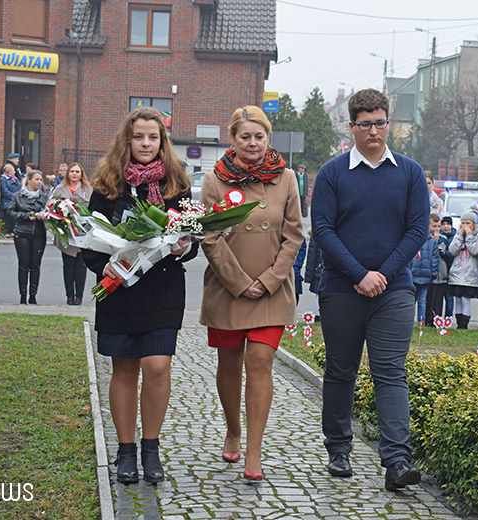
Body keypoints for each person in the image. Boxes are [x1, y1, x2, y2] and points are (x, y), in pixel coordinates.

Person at [311, 88, 427, 490]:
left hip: (394, 290)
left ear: (388, 123)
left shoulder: (410, 172)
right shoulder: (332, 173)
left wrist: (384, 274)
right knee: (341, 370)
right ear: (352, 126)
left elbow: (417, 230)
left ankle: (397, 462)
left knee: (390, 372)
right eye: (365, 124)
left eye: (380, 122)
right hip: (342, 288)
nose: (373, 131)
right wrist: (360, 274)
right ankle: (339, 449)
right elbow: (323, 230)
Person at [82, 107, 196, 484]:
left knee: (158, 366)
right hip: (119, 291)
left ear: (162, 141)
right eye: (139, 137)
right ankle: (126, 450)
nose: (146, 143)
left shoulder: (176, 184)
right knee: (125, 369)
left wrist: (184, 246)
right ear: (126, 140)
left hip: (162, 289)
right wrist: (105, 267)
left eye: (153, 137)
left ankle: (152, 448)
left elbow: (191, 239)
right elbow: (90, 241)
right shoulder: (106, 185)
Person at [200, 105, 303, 481]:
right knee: (229, 365)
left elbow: (294, 235)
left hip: (273, 291)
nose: (253, 143)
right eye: (245, 136)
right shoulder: (214, 180)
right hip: (228, 290)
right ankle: (233, 429)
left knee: (259, 361)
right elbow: (209, 237)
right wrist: (241, 282)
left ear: (268, 138)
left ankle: (254, 453)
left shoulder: (287, 178)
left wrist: (270, 279)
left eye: (259, 136)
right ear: (233, 139)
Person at [50, 162, 92, 305]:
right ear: (67, 173)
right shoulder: (59, 189)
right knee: (68, 265)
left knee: (81, 266)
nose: (74, 174)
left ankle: (79, 297)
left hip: (82, 232)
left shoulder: (88, 188)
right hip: (66, 232)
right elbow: (51, 208)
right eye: (72, 171)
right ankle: (69, 295)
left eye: (77, 171)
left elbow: (93, 209)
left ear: (81, 174)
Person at [8, 170, 49, 304]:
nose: (39, 182)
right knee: (24, 265)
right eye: (36, 179)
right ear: (29, 180)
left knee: (35, 266)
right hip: (22, 233)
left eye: (40, 180)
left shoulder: (43, 196)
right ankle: (23, 295)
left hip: (39, 233)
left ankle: (33, 296)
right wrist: (28, 216)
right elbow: (11, 212)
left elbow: (48, 212)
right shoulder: (18, 196)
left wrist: (43, 216)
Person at [448, 207, 478, 329]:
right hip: (457, 272)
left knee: (465, 298)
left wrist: (469, 236)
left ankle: (465, 323)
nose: (465, 226)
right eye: (463, 223)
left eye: (468, 223)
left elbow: (475, 251)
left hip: (471, 273)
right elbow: (452, 250)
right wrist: (459, 237)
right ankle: (459, 322)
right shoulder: (458, 235)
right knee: (458, 298)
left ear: (474, 224)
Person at [410, 213, 439, 325]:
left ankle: (421, 321)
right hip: (413, 275)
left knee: (422, 300)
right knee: (412, 301)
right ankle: (409, 321)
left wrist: (433, 273)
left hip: (426, 276)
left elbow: (435, 259)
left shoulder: (432, 242)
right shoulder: (414, 239)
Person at [427, 215, 453, 322]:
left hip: (441, 274)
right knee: (429, 299)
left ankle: (437, 320)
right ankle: (427, 320)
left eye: (438, 226)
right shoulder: (425, 238)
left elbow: (449, 257)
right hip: (428, 274)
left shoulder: (444, 239)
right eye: (434, 226)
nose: (437, 229)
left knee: (439, 301)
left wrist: (443, 252)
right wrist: (433, 242)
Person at [304, 228, 323, 322]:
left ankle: (318, 315)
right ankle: (318, 315)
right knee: (318, 294)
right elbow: (311, 256)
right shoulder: (315, 235)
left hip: (320, 269)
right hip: (319, 269)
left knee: (319, 294)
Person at [440, 216, 456, 317]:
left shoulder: (455, 237)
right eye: (443, 224)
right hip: (441, 272)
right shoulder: (438, 237)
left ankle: (448, 319)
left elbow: (452, 255)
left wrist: (444, 253)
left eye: (448, 224)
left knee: (449, 297)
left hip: (452, 271)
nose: (446, 227)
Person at [0, 163, 21, 236]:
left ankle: (12, 231)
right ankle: (6, 231)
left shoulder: (15, 179)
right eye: (13, 170)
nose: (14, 172)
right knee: (7, 217)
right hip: (7, 201)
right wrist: (14, 196)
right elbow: (4, 191)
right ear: (8, 171)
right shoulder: (3, 179)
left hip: (15, 201)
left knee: (13, 217)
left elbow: (19, 188)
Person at [294, 237, 307, 304]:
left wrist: (297, 266)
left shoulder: (298, 232)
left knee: (294, 297)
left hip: (294, 271)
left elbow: (302, 250)